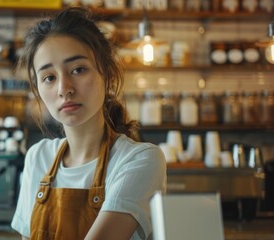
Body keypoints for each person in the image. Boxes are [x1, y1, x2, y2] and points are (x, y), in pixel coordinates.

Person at [11, 7, 167, 240]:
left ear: (108, 76)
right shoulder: (38, 157)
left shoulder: (140, 160)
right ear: (38, 89)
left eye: (78, 69)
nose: (64, 89)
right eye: (49, 78)